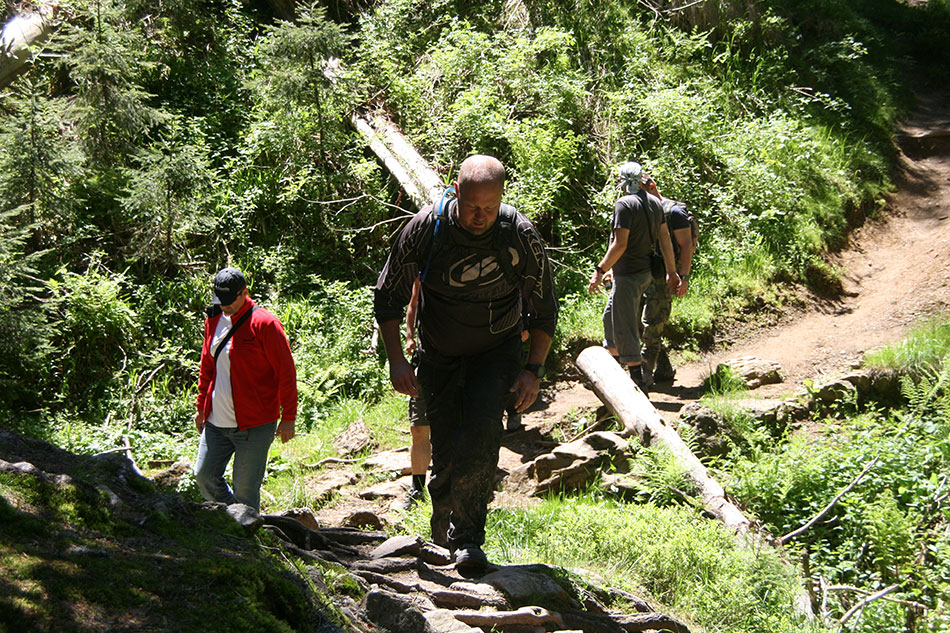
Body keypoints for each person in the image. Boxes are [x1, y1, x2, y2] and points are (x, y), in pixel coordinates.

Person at [374, 154, 558, 574]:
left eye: (490, 207)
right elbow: (387, 297)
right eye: (473, 206)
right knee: (445, 450)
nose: (480, 216)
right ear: (456, 192)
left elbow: (545, 308)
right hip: (438, 356)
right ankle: (442, 533)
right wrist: (397, 360)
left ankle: (469, 540)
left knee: (480, 438)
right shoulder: (426, 228)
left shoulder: (518, 234)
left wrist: (533, 370)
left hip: (496, 353)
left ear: (502, 198)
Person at [194, 267, 298, 512]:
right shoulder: (213, 318)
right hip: (216, 422)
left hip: (254, 425)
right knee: (204, 476)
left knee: (245, 491)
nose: (225, 306)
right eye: (221, 300)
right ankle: (235, 520)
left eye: (230, 300)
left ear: (244, 293)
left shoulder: (265, 324)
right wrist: (201, 407)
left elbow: (286, 372)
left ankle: (246, 530)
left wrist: (289, 417)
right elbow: (206, 366)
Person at [588, 162, 680, 394]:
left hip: (629, 275)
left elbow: (620, 244)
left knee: (626, 326)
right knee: (610, 318)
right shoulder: (654, 203)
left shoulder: (624, 204)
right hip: (644, 273)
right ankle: (613, 367)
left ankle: (638, 383)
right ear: (641, 180)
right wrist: (671, 272)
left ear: (621, 181)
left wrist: (599, 271)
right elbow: (665, 239)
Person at [640, 175, 694, 386]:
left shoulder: (674, 212)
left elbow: (687, 245)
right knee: (641, 323)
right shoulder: (642, 210)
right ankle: (663, 368)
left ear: (652, 187)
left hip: (665, 277)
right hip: (644, 273)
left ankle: (644, 375)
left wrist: (683, 277)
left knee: (652, 323)